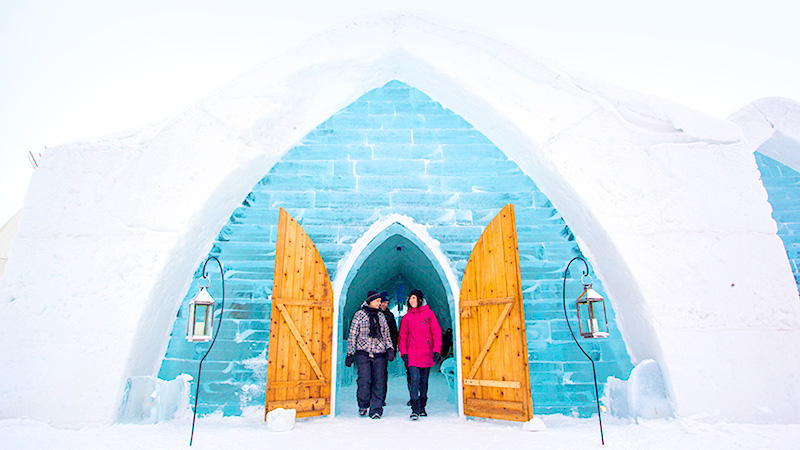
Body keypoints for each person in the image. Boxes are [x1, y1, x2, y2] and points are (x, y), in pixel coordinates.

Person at [344, 291, 395, 419]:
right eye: (377, 301)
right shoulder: (359, 315)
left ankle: (376, 409)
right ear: (370, 301)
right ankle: (363, 404)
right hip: (364, 353)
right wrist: (350, 353)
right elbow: (352, 335)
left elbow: (386, 334)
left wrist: (390, 349)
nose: (380, 303)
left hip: (379, 354)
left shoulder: (381, 316)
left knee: (379, 381)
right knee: (364, 380)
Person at [398, 289, 442, 420]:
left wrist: (436, 350)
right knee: (414, 380)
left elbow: (436, 333)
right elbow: (403, 336)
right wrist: (404, 352)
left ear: (420, 300)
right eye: (410, 298)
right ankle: (415, 409)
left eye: (413, 298)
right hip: (412, 355)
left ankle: (422, 407)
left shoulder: (429, 315)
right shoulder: (407, 318)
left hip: (426, 354)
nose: (411, 301)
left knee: (424, 381)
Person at [378, 291, 398, 407]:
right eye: (384, 302)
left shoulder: (389, 316)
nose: (385, 304)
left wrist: (392, 350)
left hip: (384, 350)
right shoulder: (372, 313)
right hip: (372, 350)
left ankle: (381, 398)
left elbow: (394, 333)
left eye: (387, 302)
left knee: (382, 375)